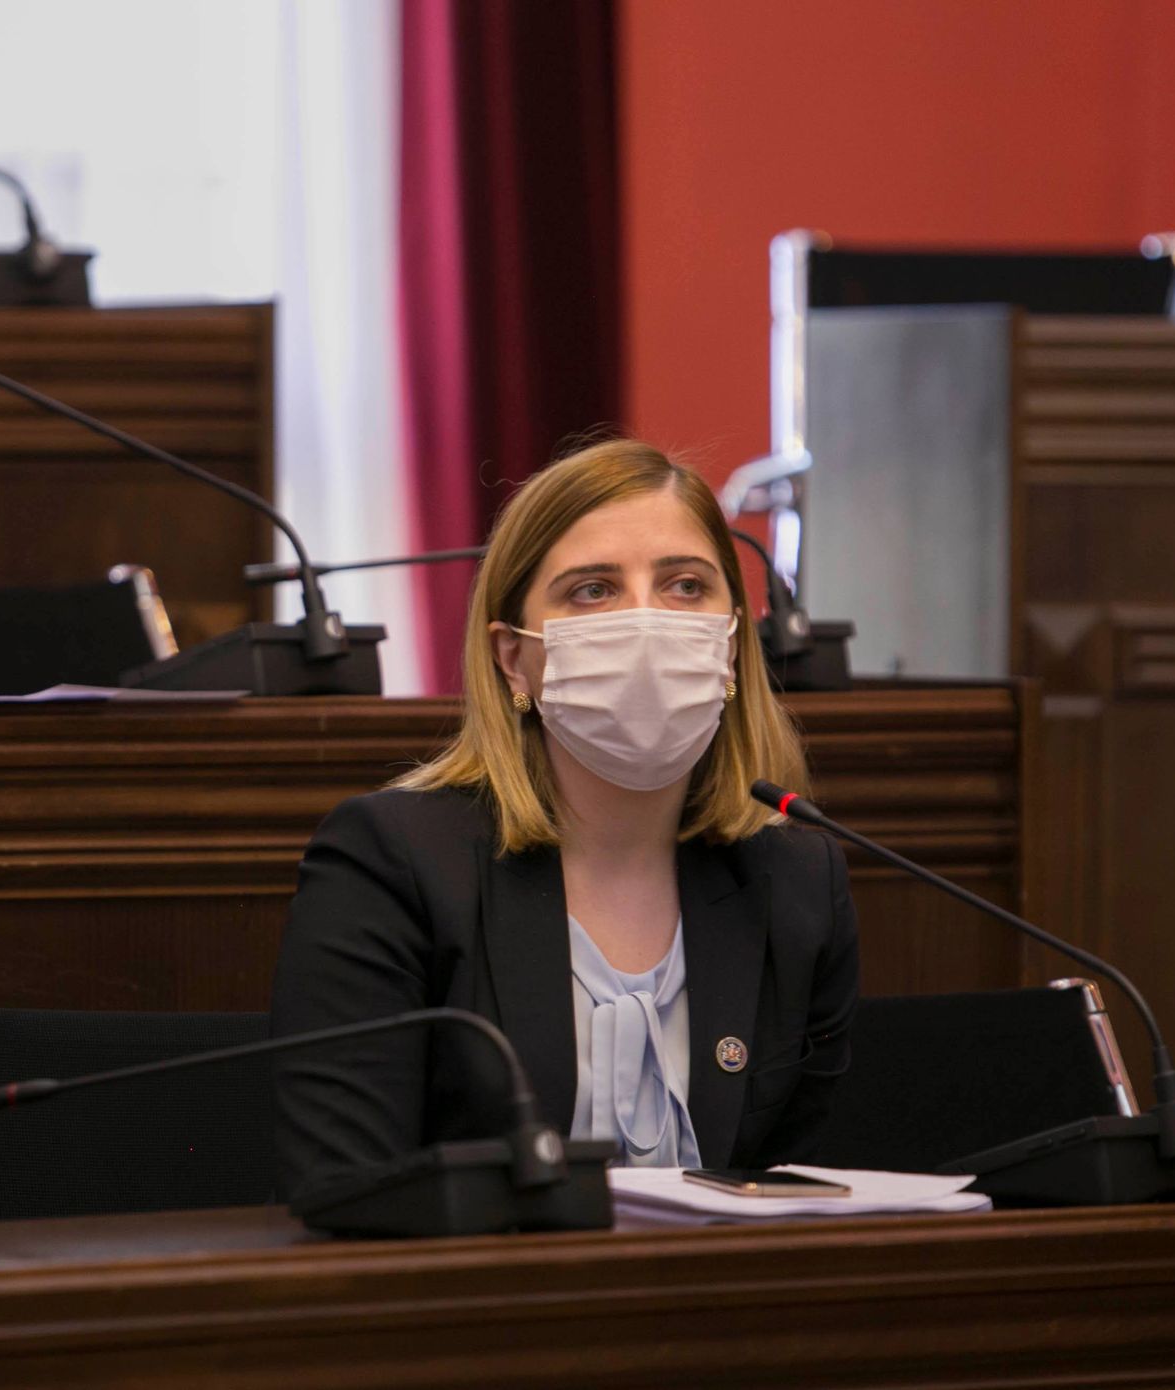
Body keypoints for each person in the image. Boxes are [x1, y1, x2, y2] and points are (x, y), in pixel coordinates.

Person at [270, 438, 858, 1201]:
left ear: (732, 641)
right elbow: (347, 1186)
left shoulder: (797, 881)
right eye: (592, 590)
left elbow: (812, 1190)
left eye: (685, 586)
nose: (646, 621)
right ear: (513, 658)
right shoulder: (393, 863)